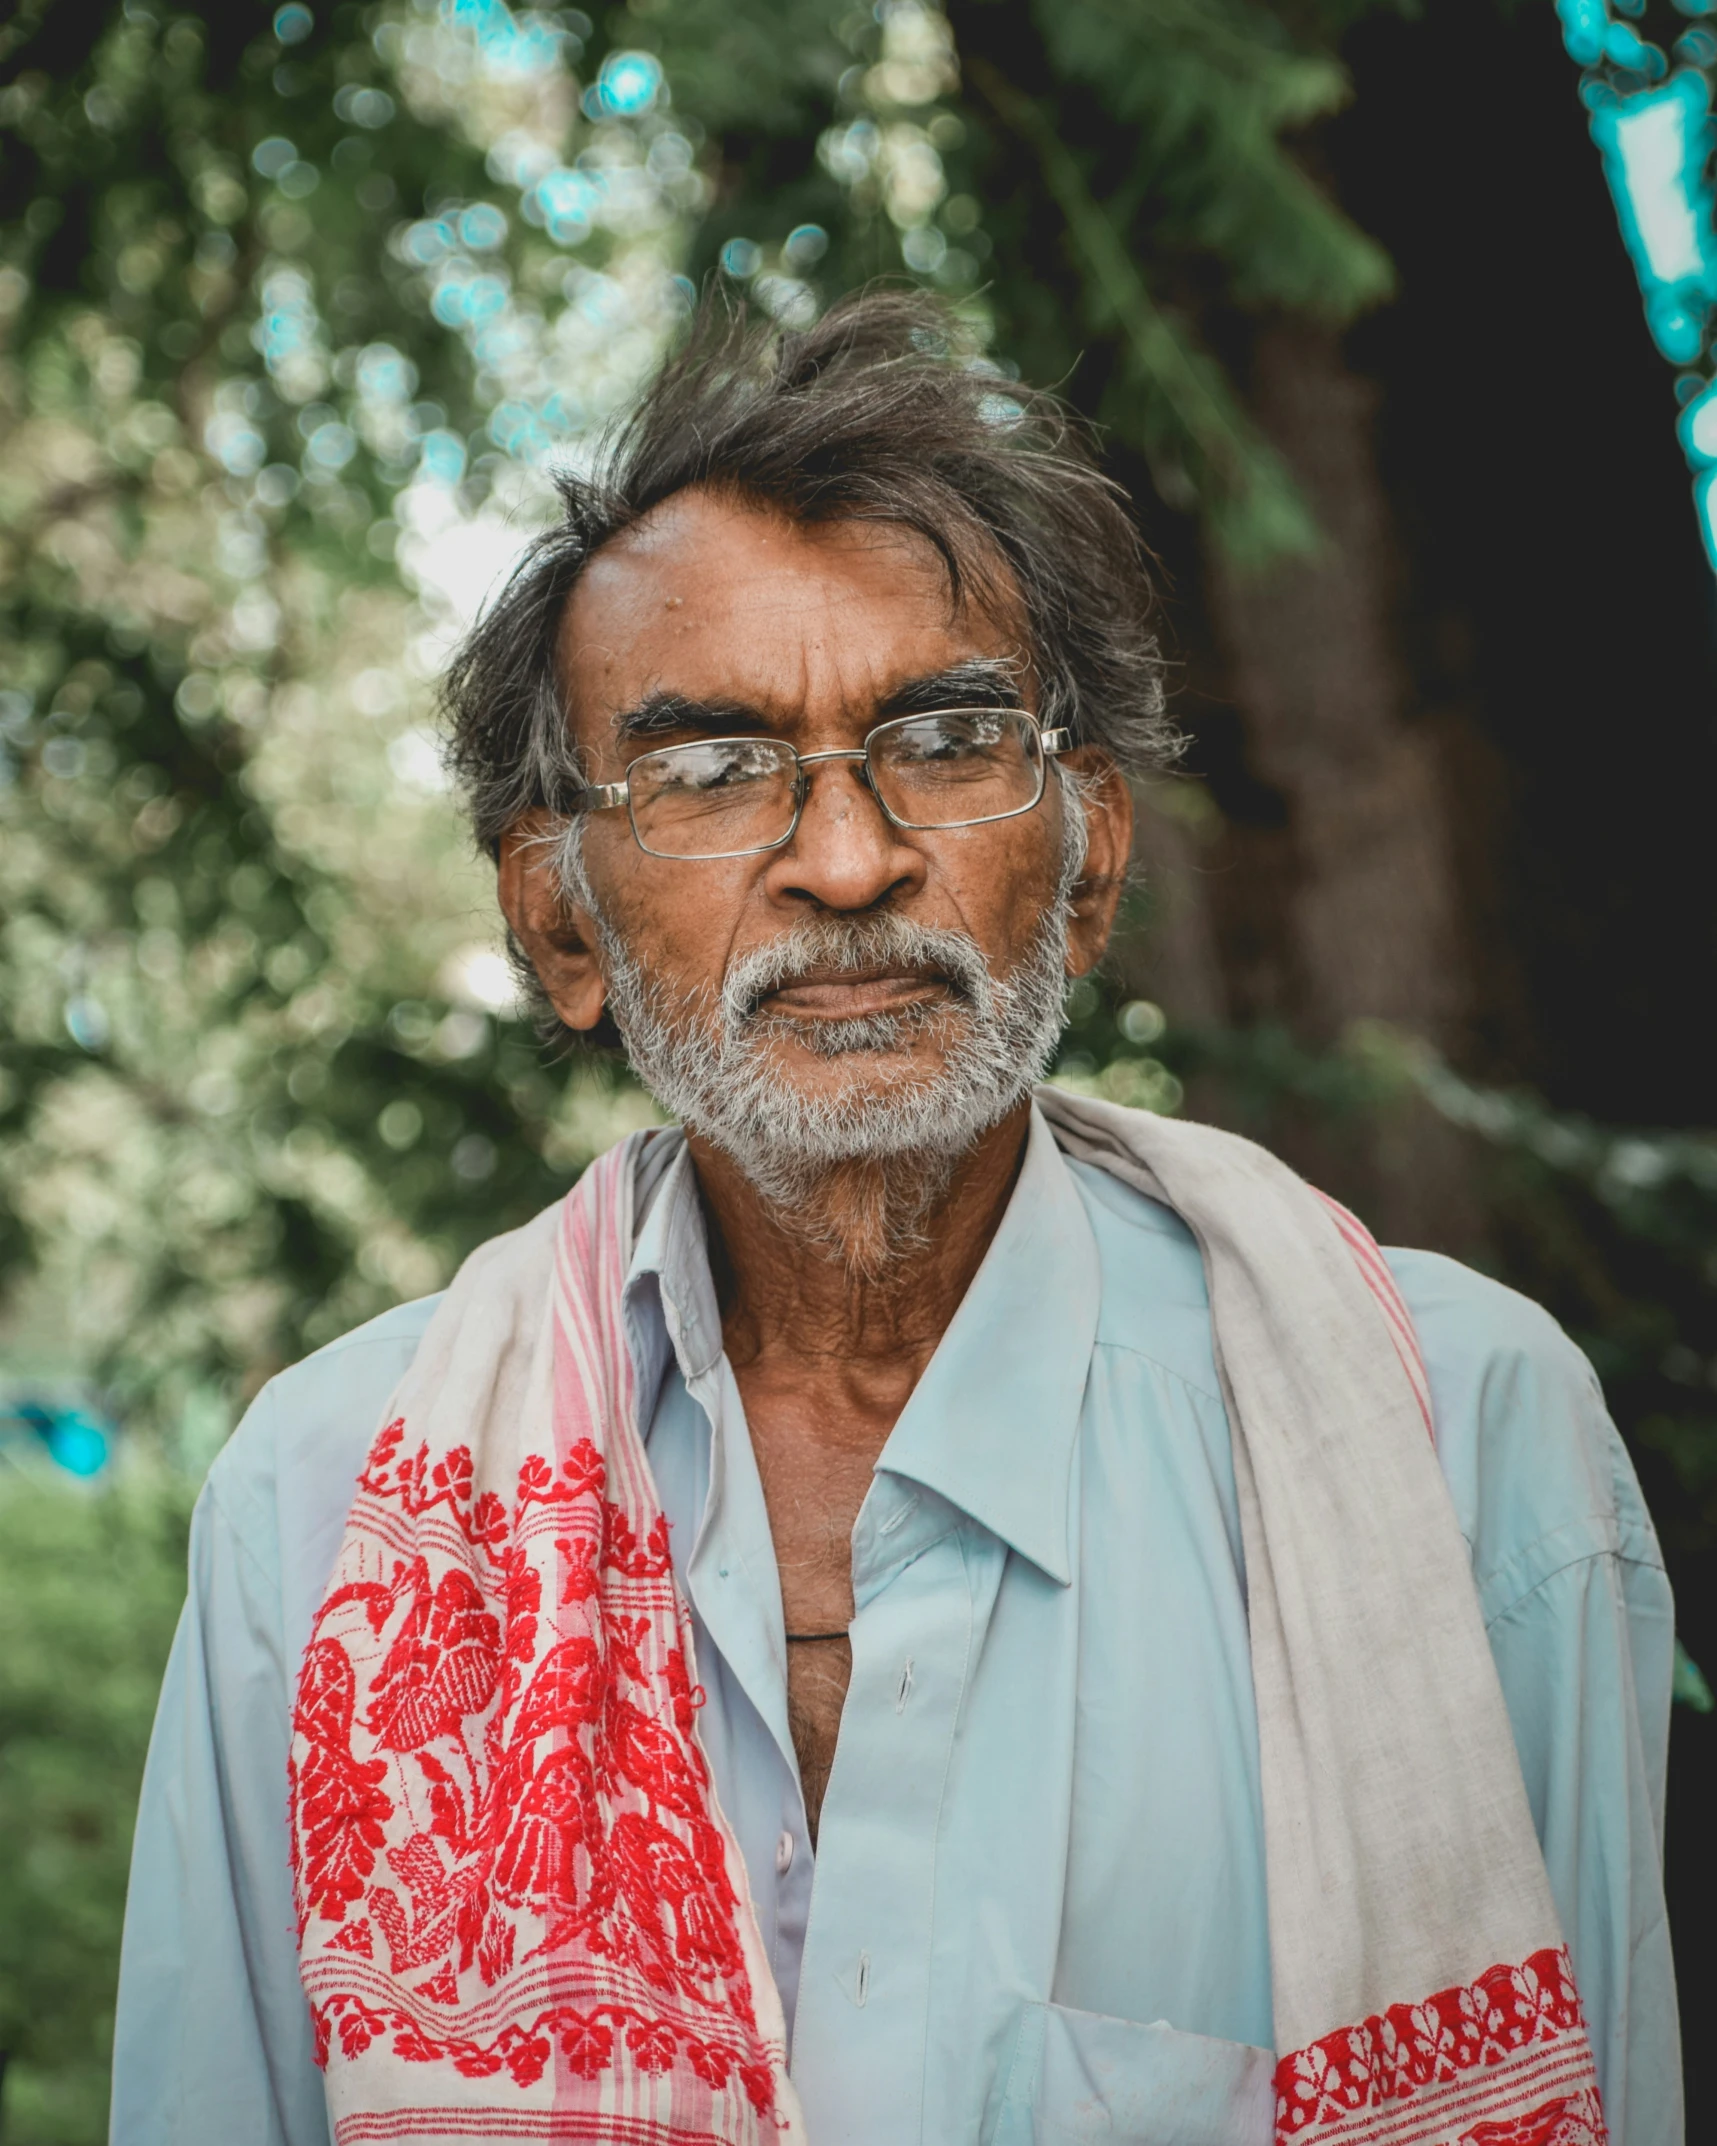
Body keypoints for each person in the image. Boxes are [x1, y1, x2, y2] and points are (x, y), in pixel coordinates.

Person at [111, 292, 1679, 2146]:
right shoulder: (322, 1510)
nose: (848, 861)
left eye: (941, 739)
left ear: (1086, 858)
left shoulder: (1461, 1453)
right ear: (558, 922)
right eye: (707, 771)